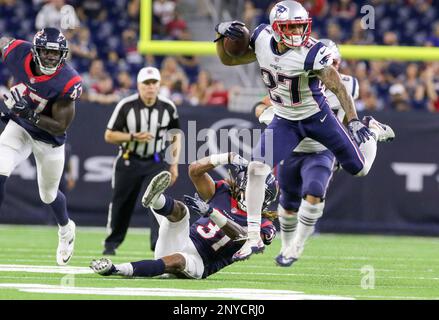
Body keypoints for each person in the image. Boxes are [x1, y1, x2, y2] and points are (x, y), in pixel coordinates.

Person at [214, 0, 395, 261]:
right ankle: (252, 236)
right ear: (276, 28)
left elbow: (338, 88)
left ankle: (372, 130)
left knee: (360, 168)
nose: (297, 33)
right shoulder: (262, 39)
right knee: (256, 169)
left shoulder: (312, 52)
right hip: (285, 120)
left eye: (300, 27)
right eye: (290, 27)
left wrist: (354, 120)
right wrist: (221, 32)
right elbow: (229, 59)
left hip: (317, 117)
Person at [254, 39, 375, 266]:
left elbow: (349, 113)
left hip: (322, 150)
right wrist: (269, 115)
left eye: (334, 62)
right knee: (288, 204)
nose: (331, 68)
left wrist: (351, 131)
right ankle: (286, 246)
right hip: (293, 148)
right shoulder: (295, 77)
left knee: (314, 190)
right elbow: (260, 106)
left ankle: (296, 247)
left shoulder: (347, 85)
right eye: (327, 62)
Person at [90, 152, 278, 279]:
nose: (249, 190)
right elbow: (194, 171)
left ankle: (115, 269)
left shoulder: (264, 224)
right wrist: (226, 157)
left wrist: (212, 213)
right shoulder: (224, 193)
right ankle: (156, 200)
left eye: (256, 188)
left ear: (265, 196)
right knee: (182, 211)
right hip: (183, 239)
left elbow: (242, 238)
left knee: (178, 259)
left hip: (201, 263)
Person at [0, 28, 82, 265]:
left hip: (48, 138)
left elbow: (59, 126)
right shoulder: (17, 53)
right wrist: (20, 114)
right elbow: (4, 42)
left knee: (47, 195)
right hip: (19, 127)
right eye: (46, 51)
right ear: (36, 50)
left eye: (56, 54)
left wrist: (28, 113)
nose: (50, 57)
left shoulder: (68, 81)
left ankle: (66, 229)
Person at [103, 66, 181, 255]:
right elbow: (109, 135)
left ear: (159, 84)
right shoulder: (126, 105)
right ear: (139, 85)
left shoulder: (168, 107)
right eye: (146, 83)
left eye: (154, 83)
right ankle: (111, 243)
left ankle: (158, 246)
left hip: (155, 162)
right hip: (129, 160)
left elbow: (176, 135)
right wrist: (132, 137)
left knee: (157, 203)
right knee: (122, 203)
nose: (150, 87)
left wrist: (174, 164)